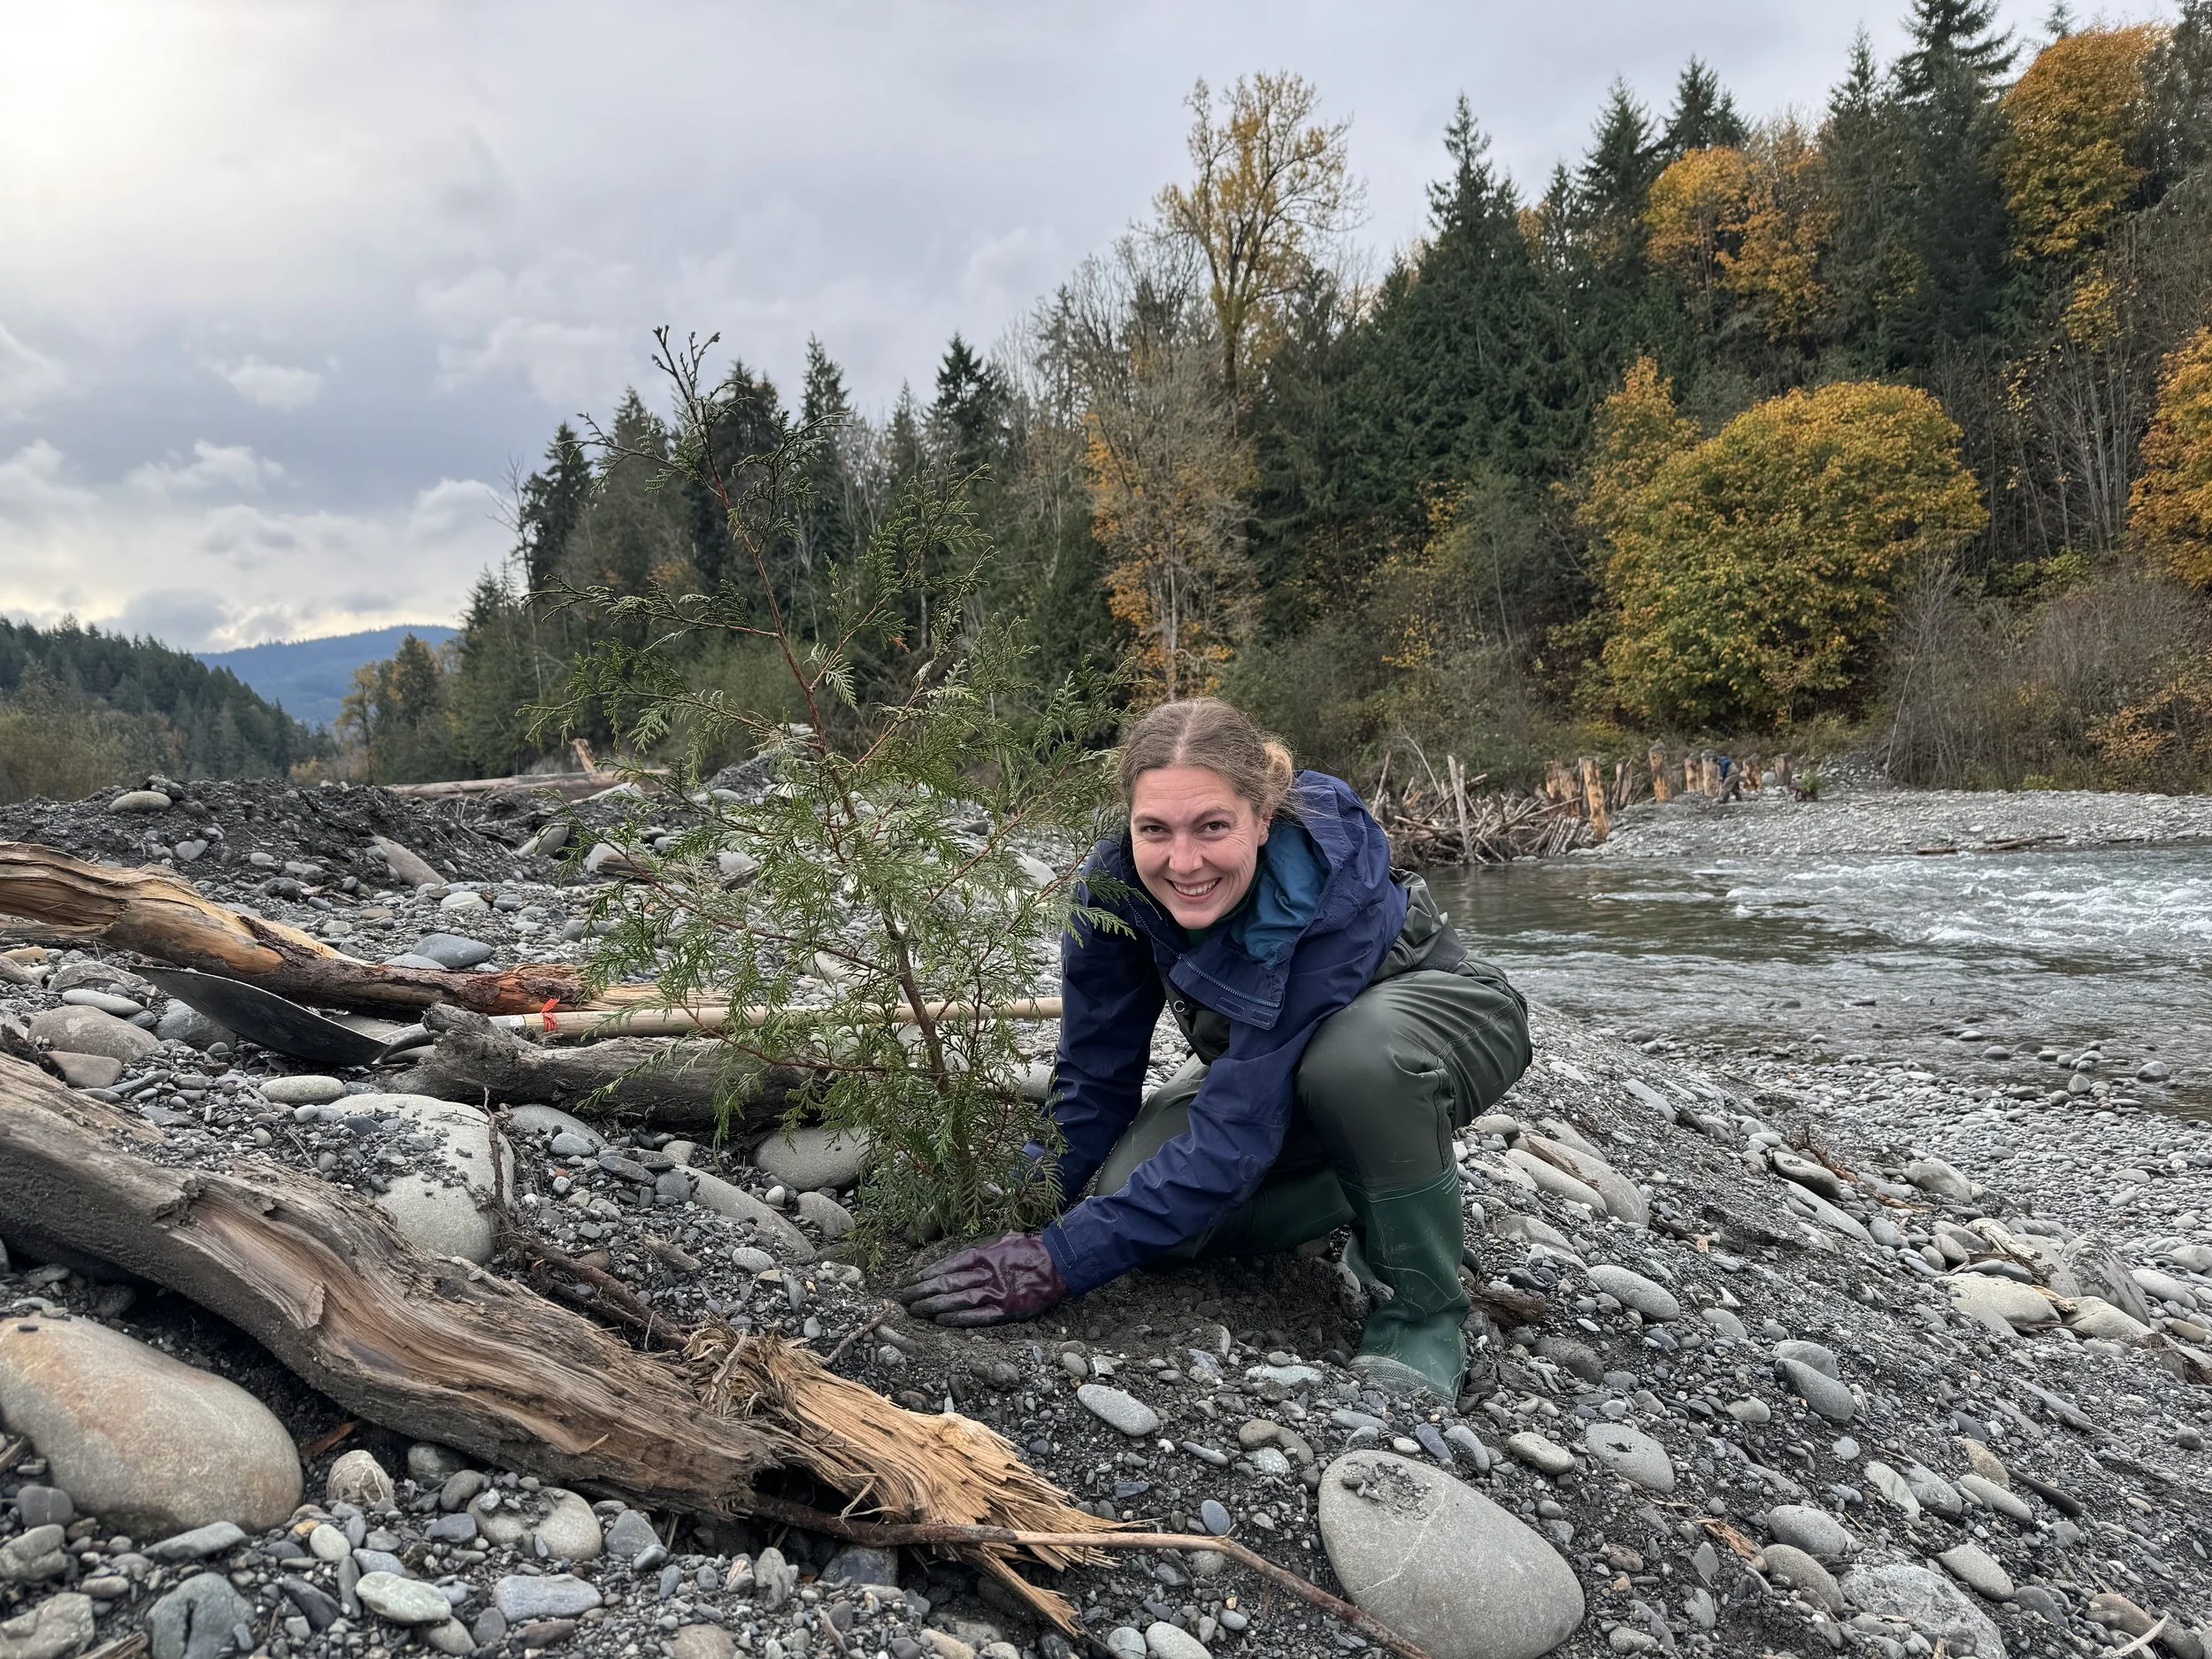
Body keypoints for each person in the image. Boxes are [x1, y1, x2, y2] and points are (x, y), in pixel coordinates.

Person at [896, 698, 1531, 1400]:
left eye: (1213, 826)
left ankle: (1424, 1312)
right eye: (1155, 829)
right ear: (1129, 826)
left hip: (1443, 1024)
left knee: (1354, 1063)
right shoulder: (1115, 894)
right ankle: (1361, 1192)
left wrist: (1058, 1263)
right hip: (1280, 1064)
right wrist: (1018, 1202)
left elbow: (1236, 1129)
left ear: (1262, 816)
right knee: (1140, 1210)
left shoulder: (1318, 882)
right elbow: (1093, 1082)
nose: (1184, 860)